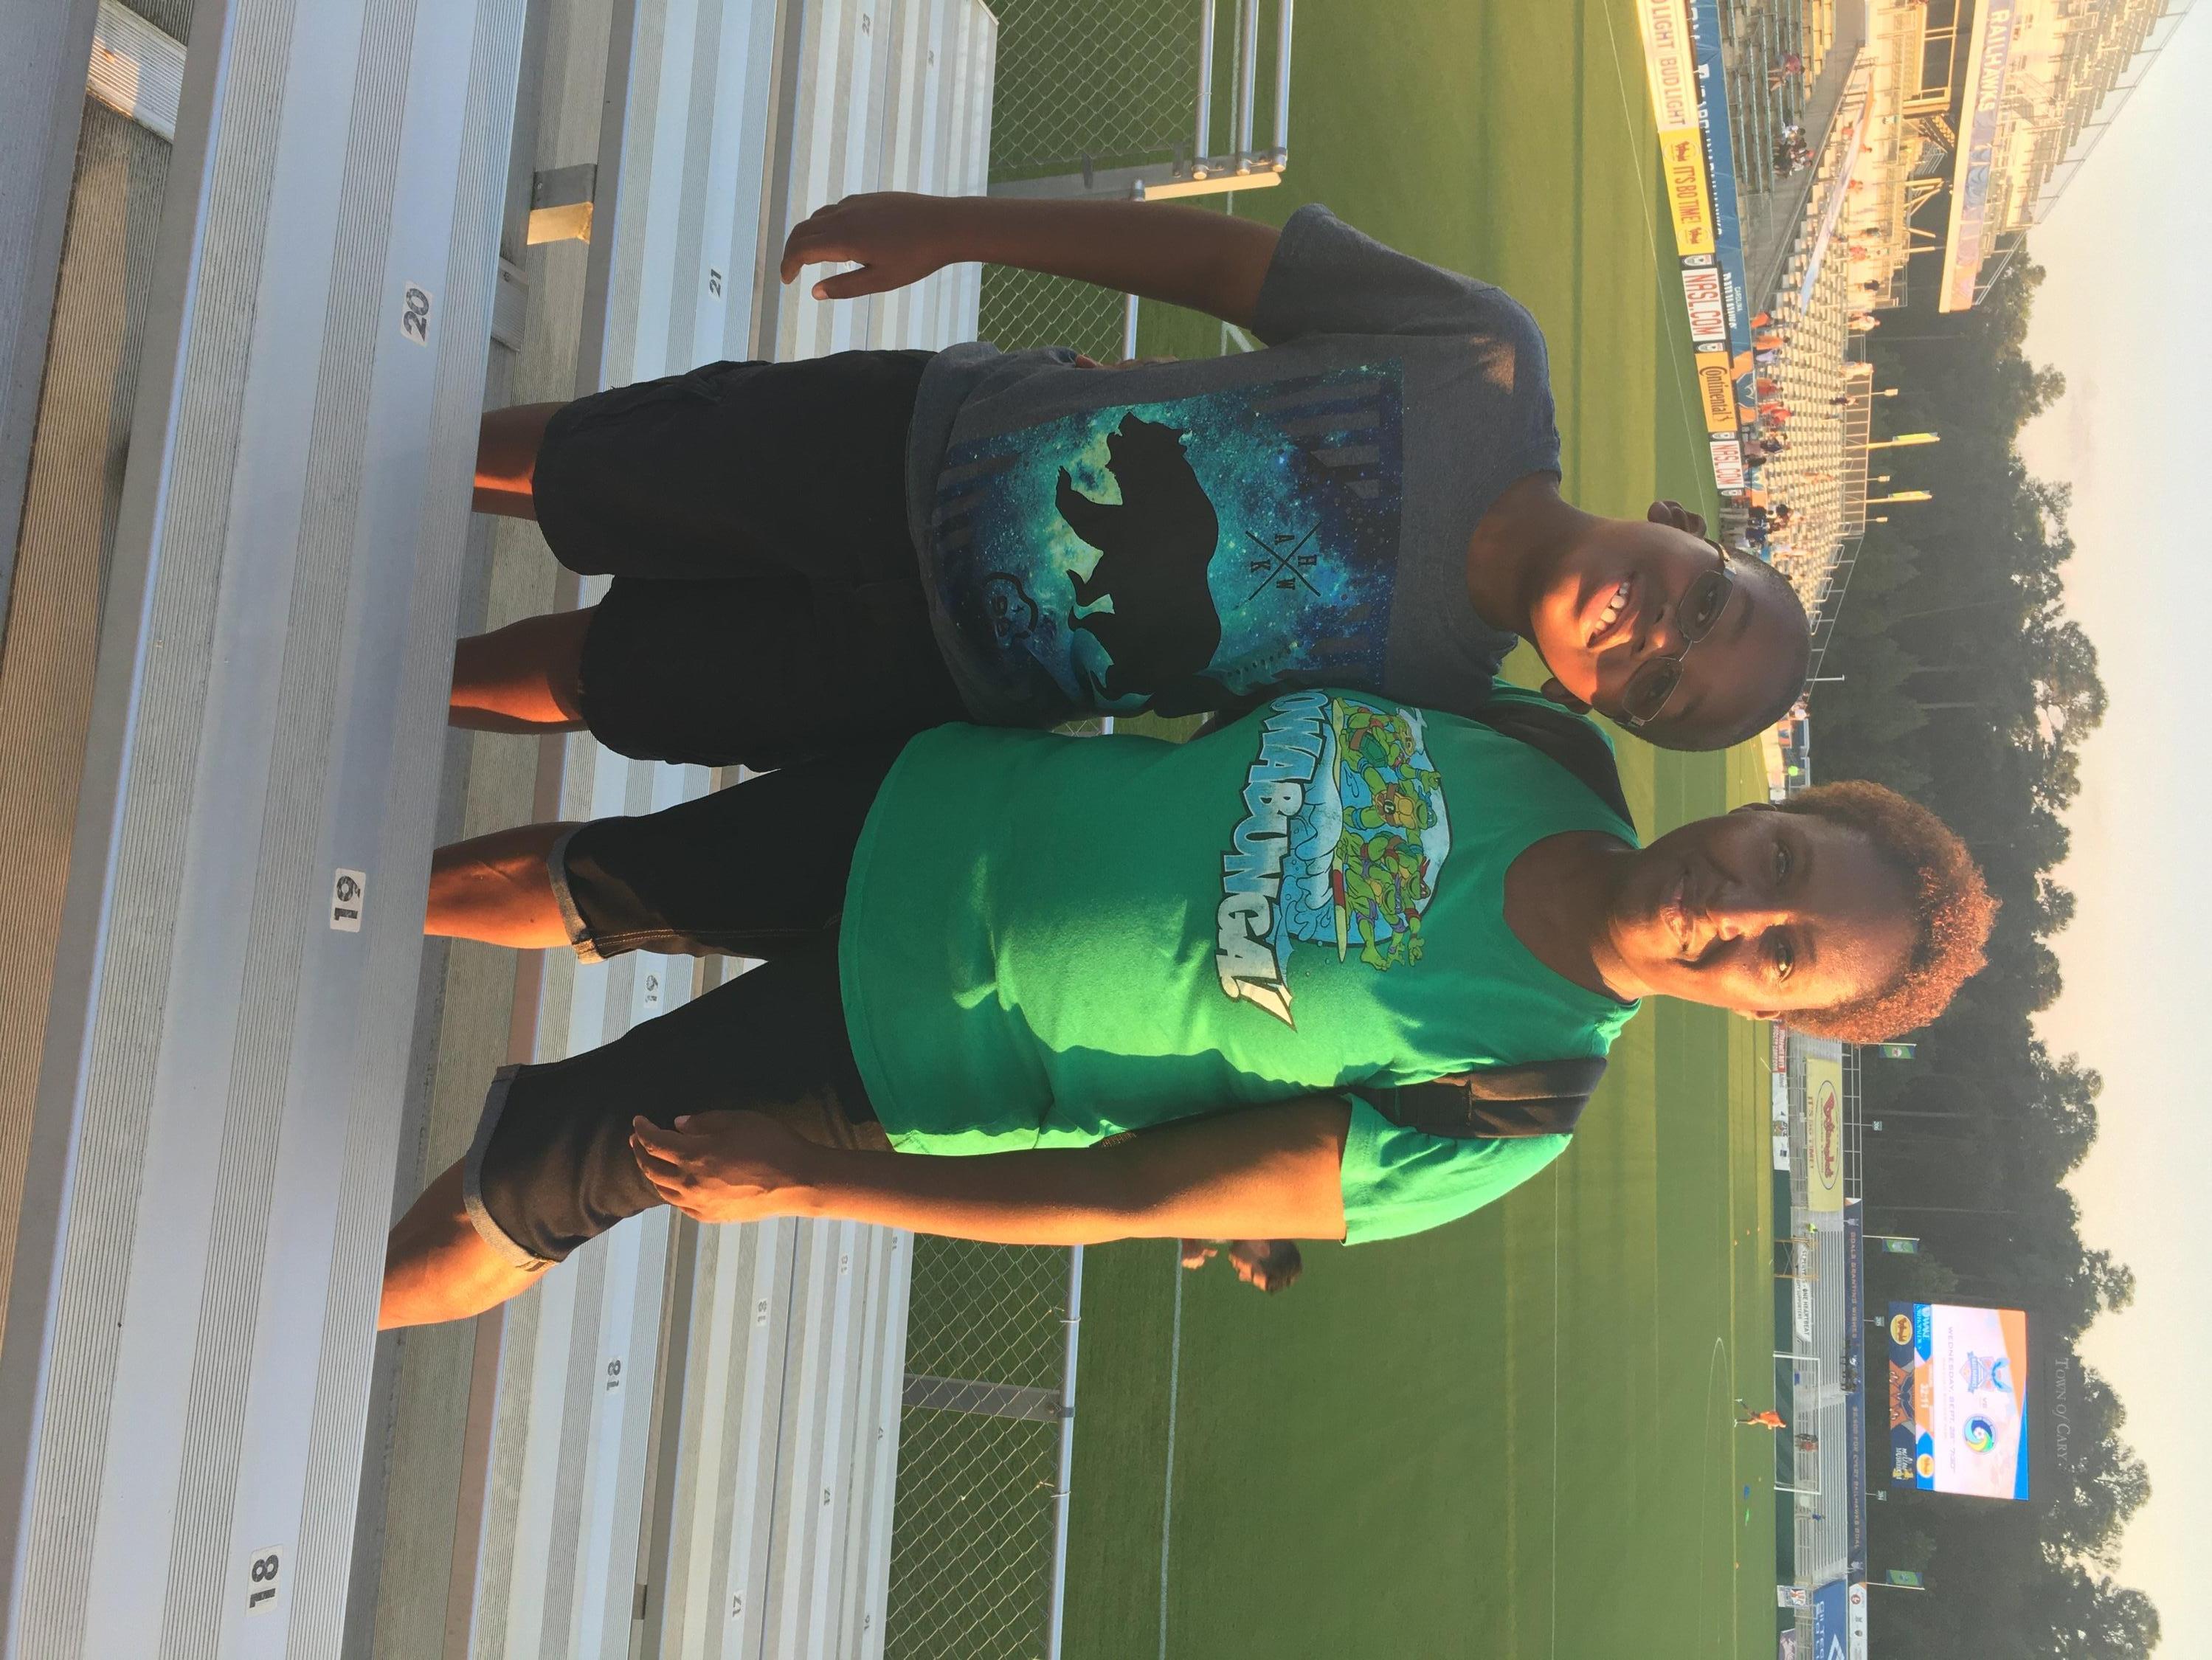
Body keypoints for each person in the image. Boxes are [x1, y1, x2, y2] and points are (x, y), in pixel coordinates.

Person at [379, 688, 1995, 1328]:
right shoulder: (1546, 748)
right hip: (937, 799)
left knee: (528, 1192)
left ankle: (300, 1333)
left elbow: (1125, 1194)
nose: (1737, 907)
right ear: (1773, 802)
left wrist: (811, 1181)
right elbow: (1257, 692)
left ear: (1776, 1018)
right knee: (584, 876)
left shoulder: (1511, 1102)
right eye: (1784, 858)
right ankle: (326, 883)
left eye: (1784, 952)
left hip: (897, 1052)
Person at [455, 193, 1812, 768]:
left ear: (1590, 703)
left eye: (1658, 688)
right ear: (1685, 525)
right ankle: (382, 471)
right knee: (591, 468)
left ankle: (410, 683)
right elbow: (1222, 267)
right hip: (914, 443)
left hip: (929, 677)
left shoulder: (1434, 705)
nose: (1655, 633)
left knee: (606, 678)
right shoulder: (1486, 360)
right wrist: (954, 227)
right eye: (1707, 602)